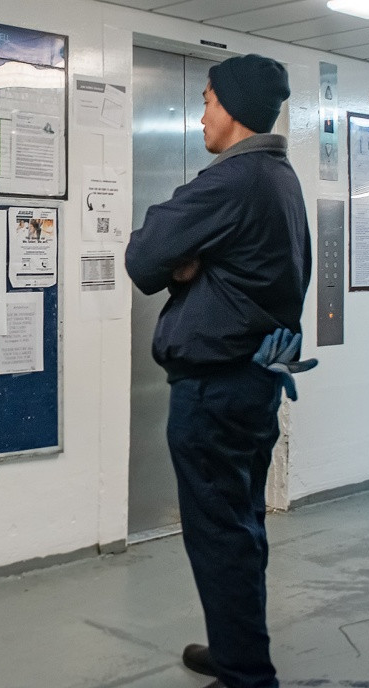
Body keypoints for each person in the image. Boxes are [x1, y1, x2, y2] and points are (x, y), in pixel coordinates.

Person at [125, 53, 314, 688]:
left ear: (231, 108)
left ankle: (246, 674)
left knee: (220, 535)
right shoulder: (280, 180)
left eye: (206, 100)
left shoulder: (231, 183)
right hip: (253, 384)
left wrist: (183, 264)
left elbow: (144, 255)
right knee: (240, 525)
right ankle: (236, 652)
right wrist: (191, 263)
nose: (201, 112)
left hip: (214, 390)